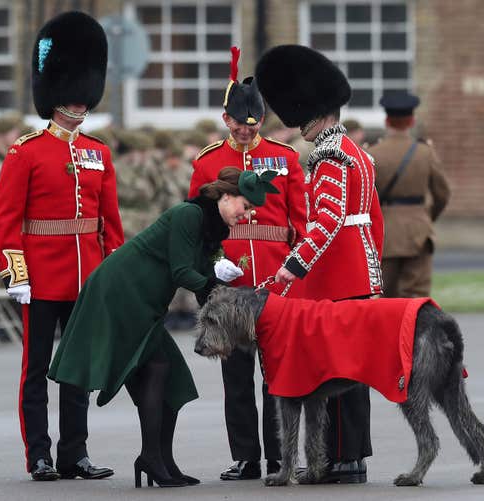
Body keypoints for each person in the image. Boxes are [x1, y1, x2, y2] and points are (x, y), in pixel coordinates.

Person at [48, 168, 279, 488]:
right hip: (121, 291)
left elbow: (198, 280)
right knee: (158, 368)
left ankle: (160, 460)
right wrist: (220, 290)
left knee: (171, 377)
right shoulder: (190, 214)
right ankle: (152, 459)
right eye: (245, 206)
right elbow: (183, 271)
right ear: (226, 197)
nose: (247, 214)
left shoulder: (211, 227)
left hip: (144, 301)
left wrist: (221, 298)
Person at [0, 11, 124, 482]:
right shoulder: (25, 151)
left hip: (85, 275)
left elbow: (110, 223)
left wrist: (112, 272)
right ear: (55, 96)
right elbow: (5, 219)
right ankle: (39, 455)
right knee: (36, 373)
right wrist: (16, 273)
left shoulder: (98, 153)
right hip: (41, 277)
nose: (80, 105)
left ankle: (75, 453)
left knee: (78, 370)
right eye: (72, 96)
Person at [256, 44, 385, 484]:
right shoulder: (357, 150)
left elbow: (327, 221)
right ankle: (346, 457)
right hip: (357, 268)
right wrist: (372, 269)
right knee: (351, 370)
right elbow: (372, 220)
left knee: (341, 371)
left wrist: (293, 267)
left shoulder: (329, 155)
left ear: (314, 112)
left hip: (338, 275)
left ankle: (344, 459)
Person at [188, 46, 307, 481]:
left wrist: (295, 271)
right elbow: (197, 222)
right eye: (238, 123)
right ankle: (246, 456)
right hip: (230, 281)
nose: (244, 131)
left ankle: (279, 455)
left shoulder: (286, 158)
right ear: (226, 120)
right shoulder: (207, 162)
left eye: (251, 124)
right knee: (235, 376)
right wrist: (213, 263)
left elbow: (302, 221)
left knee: (278, 374)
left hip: (276, 280)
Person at [368, 93, 450, 298]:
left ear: (387, 120)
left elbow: (366, 197)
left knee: (386, 298)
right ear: (411, 121)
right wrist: (425, 217)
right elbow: (443, 193)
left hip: (385, 233)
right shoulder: (425, 152)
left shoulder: (373, 153)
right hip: (419, 232)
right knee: (417, 296)